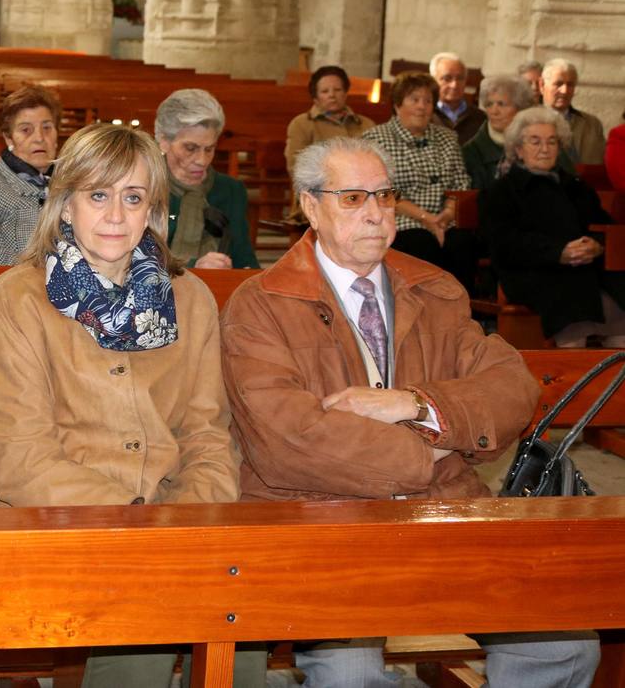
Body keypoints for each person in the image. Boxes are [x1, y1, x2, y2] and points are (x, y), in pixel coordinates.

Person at [220, 135, 600, 687]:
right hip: (325, 523)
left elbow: (512, 385)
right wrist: (432, 448)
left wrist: (415, 405)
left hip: (443, 516)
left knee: (564, 647)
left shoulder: (434, 288)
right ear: (310, 206)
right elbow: (286, 442)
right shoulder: (261, 305)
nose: (376, 213)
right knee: (351, 673)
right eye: (353, 198)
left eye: (385, 195)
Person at [0, 122, 246, 688]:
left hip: (176, 519)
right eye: (98, 195)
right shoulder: (17, 300)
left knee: (244, 637)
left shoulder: (188, 298)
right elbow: (20, 457)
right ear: (65, 205)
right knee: (137, 636)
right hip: (63, 521)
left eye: (133, 196)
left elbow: (208, 432)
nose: (116, 215)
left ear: (153, 210)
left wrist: (189, 515)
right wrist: (137, 521)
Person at [481, 108, 625, 347]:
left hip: (585, 268)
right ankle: (571, 379)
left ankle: (614, 381)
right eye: (535, 142)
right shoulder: (501, 192)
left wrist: (596, 245)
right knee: (570, 298)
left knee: (620, 298)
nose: (545, 149)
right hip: (532, 270)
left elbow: (602, 224)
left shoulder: (576, 187)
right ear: (518, 149)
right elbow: (504, 243)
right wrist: (559, 252)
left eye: (552, 141)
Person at [362, 71, 479, 291]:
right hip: (403, 220)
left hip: (446, 219)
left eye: (428, 101)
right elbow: (382, 192)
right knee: (422, 243)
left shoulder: (447, 137)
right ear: (397, 104)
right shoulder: (375, 139)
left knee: (463, 243)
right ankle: (423, 313)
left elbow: (460, 183)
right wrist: (427, 219)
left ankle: (461, 311)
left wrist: (446, 215)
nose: (422, 106)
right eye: (414, 100)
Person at [155, 89, 257, 270]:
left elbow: (244, 259)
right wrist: (194, 267)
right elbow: (131, 259)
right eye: (190, 148)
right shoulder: (145, 186)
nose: (202, 160)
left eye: (209, 149)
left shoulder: (230, 190)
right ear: (164, 141)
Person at [0, 86, 61, 264]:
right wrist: (51, 272)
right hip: (16, 287)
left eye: (47, 128)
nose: (39, 137)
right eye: (26, 130)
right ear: (9, 138)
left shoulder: (74, 182)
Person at [284, 64, 376, 175]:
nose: (332, 95)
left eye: (337, 90)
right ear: (315, 97)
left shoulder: (366, 124)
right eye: (325, 91)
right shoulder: (301, 124)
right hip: (320, 186)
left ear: (345, 94)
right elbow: (295, 166)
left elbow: (376, 161)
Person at [461, 73, 548, 190]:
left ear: (521, 108)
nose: (494, 111)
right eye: (489, 104)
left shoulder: (544, 142)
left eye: (501, 104)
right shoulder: (470, 153)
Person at [541, 58, 605, 165]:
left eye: (570, 85)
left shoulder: (592, 125)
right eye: (558, 84)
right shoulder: (526, 122)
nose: (565, 91)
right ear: (542, 85)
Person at [430, 52, 486, 144]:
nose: (454, 85)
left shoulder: (481, 119)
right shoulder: (424, 115)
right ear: (433, 80)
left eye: (460, 78)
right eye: (447, 78)